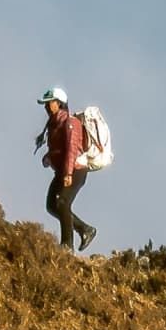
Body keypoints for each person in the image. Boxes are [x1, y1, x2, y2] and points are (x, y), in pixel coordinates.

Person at [35, 86, 96, 252]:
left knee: (62, 202)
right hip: (63, 170)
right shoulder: (53, 126)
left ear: (59, 103)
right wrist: (49, 157)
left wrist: (68, 173)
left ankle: (67, 245)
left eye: (50, 103)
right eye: (45, 104)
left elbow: (71, 149)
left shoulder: (71, 123)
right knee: (51, 205)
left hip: (75, 169)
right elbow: (59, 149)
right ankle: (85, 229)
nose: (47, 107)